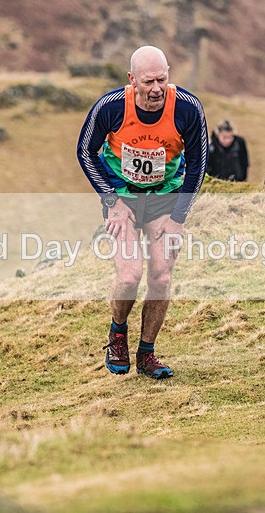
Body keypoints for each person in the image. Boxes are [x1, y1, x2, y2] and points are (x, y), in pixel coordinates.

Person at [77, 45, 208, 379]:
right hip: (122, 198)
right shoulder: (110, 107)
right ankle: (117, 334)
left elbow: (198, 165)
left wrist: (179, 219)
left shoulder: (188, 109)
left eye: (162, 79)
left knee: (161, 275)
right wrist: (111, 200)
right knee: (129, 275)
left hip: (165, 198)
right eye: (148, 81)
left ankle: (147, 353)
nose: (156, 89)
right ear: (132, 79)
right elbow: (85, 152)